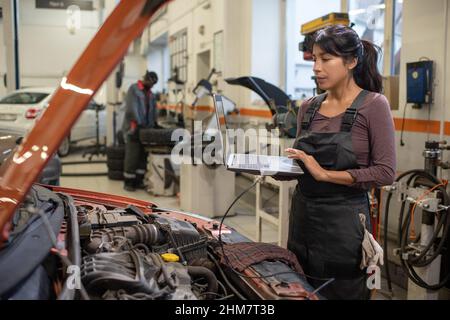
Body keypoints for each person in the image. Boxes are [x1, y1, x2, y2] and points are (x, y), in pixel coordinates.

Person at [284, 25, 396, 300]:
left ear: (352, 61)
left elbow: (386, 172)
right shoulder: (307, 108)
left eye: (326, 59)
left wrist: (326, 174)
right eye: (314, 59)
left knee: (343, 289)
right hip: (302, 220)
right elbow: (305, 165)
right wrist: (279, 168)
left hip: (344, 225)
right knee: (300, 286)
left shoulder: (374, 105)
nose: (316, 68)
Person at [122, 70, 159, 191]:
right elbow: (131, 108)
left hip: (146, 130)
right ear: (146, 79)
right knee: (132, 155)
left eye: (154, 84)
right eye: (151, 82)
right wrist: (138, 122)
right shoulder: (134, 89)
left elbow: (153, 110)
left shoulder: (151, 94)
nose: (152, 85)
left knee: (143, 156)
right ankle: (128, 182)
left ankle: (139, 181)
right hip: (134, 127)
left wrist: (153, 125)